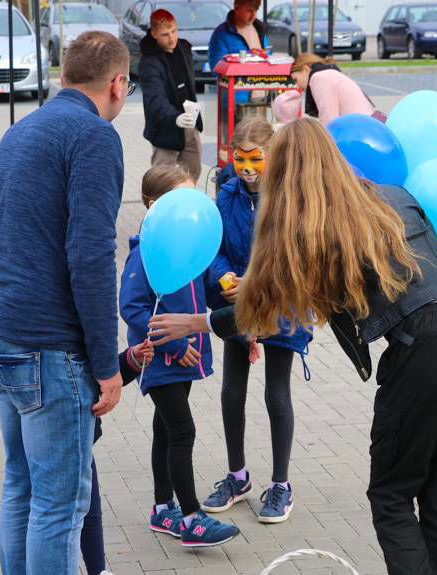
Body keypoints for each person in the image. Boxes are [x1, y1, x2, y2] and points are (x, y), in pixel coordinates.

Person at [147, 118, 437, 575]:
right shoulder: (391, 194)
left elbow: (266, 303)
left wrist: (197, 321)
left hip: (427, 345)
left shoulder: (307, 227)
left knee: (392, 497)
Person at [0, 31, 133, 575]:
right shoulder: (94, 137)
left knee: (23, 486)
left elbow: (3, 225)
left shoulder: (20, 131)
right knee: (59, 507)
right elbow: (89, 257)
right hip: (45, 346)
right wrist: (107, 365)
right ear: (118, 83)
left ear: (62, 77)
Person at [119, 164, 240, 548]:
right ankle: (191, 518)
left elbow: (205, 289)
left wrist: (227, 295)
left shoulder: (187, 247)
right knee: (182, 431)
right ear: (155, 205)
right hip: (160, 360)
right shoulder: (144, 255)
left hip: (187, 358)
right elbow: (132, 308)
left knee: (165, 431)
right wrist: (174, 344)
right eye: (180, 198)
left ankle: (161, 509)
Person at [201, 118, 311, 524]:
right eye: (240, 159)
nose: (247, 168)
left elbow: (294, 253)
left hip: (283, 302)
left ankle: (281, 485)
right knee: (232, 392)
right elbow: (213, 246)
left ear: (272, 156)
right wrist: (223, 276)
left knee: (276, 394)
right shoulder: (226, 195)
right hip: (237, 303)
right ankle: (237, 476)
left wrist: (258, 282)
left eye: (256, 159)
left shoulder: (288, 197)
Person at [83, 342, 153, 575]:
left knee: (90, 509)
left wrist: (130, 360)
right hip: (61, 428)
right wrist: (112, 376)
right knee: (56, 516)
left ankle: (98, 570)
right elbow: (87, 374)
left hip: (76, 434)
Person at [139, 9, 203, 182]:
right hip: (165, 127)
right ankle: (160, 207)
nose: (172, 38)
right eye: (165, 34)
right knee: (161, 180)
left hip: (190, 123)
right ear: (153, 34)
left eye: (174, 31)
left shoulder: (183, 48)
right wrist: (175, 117)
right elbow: (155, 99)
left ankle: (187, 206)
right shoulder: (148, 63)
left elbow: (188, 84)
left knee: (192, 172)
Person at [288, 53, 380, 125]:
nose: (296, 85)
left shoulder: (318, 78)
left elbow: (329, 122)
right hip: (367, 125)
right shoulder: (328, 72)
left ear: (305, 69)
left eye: (296, 80)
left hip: (360, 129)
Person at [208, 0, 269, 104]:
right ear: (236, 7)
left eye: (256, 10)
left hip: (261, 97)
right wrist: (248, 60)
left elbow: (268, 58)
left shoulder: (259, 29)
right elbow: (216, 67)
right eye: (249, 11)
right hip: (235, 101)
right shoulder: (221, 33)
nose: (253, 15)